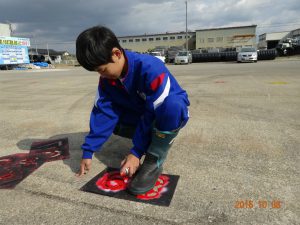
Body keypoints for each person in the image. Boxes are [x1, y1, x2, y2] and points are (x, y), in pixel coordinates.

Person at [75, 26, 190, 195]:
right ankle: (150, 140)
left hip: (163, 115)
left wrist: (136, 152)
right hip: (141, 115)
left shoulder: (150, 68)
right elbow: (103, 113)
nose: (102, 75)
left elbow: (153, 110)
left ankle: (154, 159)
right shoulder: (107, 80)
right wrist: (89, 150)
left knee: (172, 106)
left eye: (102, 69)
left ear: (116, 53)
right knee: (110, 119)